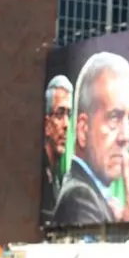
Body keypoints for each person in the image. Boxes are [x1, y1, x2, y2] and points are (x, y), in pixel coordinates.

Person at [52, 52, 129, 225]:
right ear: (83, 130)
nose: (125, 136)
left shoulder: (97, 198)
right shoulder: (79, 199)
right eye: (114, 117)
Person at [41, 75, 73, 223]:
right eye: (60, 114)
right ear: (47, 124)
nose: (66, 124)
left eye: (69, 115)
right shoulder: (37, 177)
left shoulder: (58, 179)